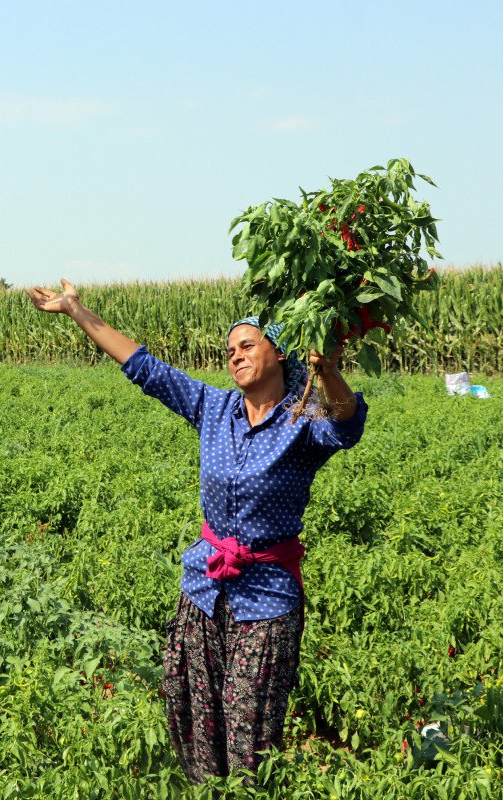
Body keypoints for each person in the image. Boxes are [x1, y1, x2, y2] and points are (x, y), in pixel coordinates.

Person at [26, 279, 366, 784]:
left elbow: (347, 424)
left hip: (266, 598)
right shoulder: (214, 409)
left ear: (278, 353)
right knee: (195, 716)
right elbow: (145, 368)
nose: (235, 356)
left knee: (250, 728)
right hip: (204, 588)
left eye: (247, 345)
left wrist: (328, 371)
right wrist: (78, 310)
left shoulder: (303, 418)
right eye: (230, 351)